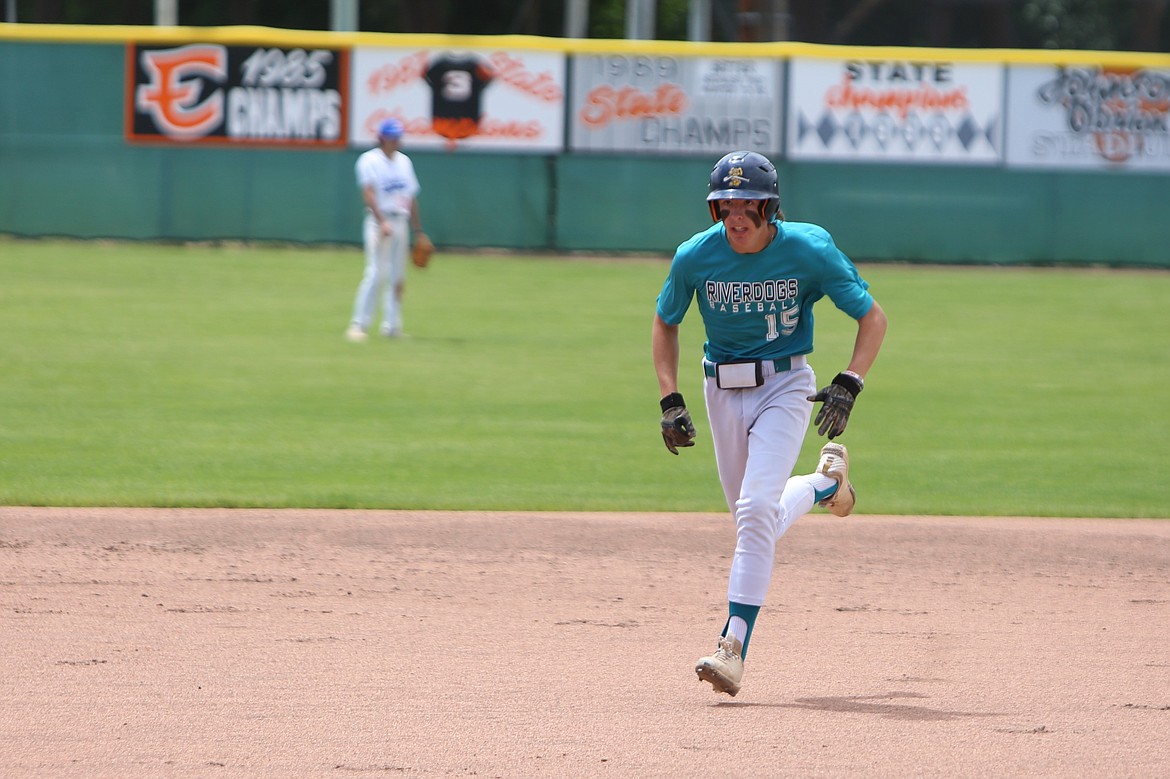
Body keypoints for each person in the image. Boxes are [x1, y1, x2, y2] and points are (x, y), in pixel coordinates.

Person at [651, 150, 888, 697]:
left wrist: (850, 380)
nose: (735, 214)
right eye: (724, 203)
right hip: (720, 389)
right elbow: (666, 323)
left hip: (786, 386)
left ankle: (732, 648)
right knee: (751, 520)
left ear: (769, 205)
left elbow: (871, 317)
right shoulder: (695, 256)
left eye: (746, 203)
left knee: (756, 510)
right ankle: (824, 484)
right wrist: (671, 400)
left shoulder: (809, 248)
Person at [346, 118, 426, 342]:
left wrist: (418, 231)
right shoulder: (369, 160)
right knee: (375, 273)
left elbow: (410, 197)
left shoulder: (404, 162)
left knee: (398, 276)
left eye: (398, 137)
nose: (396, 141)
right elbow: (369, 193)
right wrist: (382, 221)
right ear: (381, 138)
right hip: (378, 222)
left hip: (401, 220)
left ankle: (392, 327)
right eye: (392, 137)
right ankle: (358, 325)